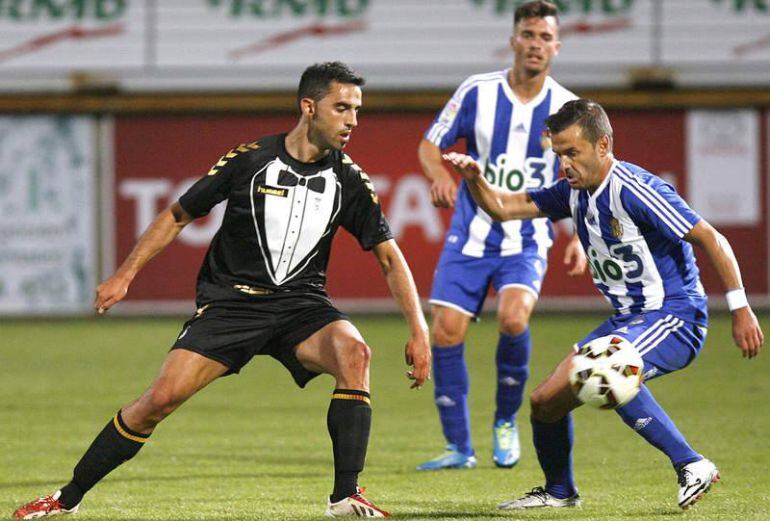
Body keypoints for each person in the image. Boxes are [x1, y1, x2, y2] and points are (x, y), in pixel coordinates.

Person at [13, 61, 431, 520]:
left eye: (357, 110)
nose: (352, 120)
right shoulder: (250, 160)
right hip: (232, 304)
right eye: (341, 108)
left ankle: (345, 496)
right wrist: (125, 274)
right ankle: (65, 498)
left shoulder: (349, 180)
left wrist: (419, 330)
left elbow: (390, 258)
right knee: (158, 401)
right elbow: (178, 214)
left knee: (355, 353)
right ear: (308, 107)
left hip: (301, 306)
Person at [443, 99, 764, 509]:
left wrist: (740, 307)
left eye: (572, 152)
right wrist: (475, 179)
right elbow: (504, 208)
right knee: (545, 402)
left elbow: (711, 238)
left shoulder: (636, 188)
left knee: (606, 369)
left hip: (675, 315)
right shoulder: (572, 192)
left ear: (603, 145)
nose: (564, 164)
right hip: (627, 321)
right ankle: (559, 492)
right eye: (559, 154)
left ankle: (691, 463)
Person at [416, 0, 585, 471]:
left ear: (557, 45)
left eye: (545, 37)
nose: (536, 45)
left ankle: (506, 421)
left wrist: (577, 234)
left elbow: (581, 175)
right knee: (445, 332)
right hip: (470, 235)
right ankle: (458, 448)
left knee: (514, 319)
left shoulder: (565, 108)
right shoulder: (477, 91)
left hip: (528, 237)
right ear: (514, 40)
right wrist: (440, 175)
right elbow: (431, 144)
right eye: (528, 35)